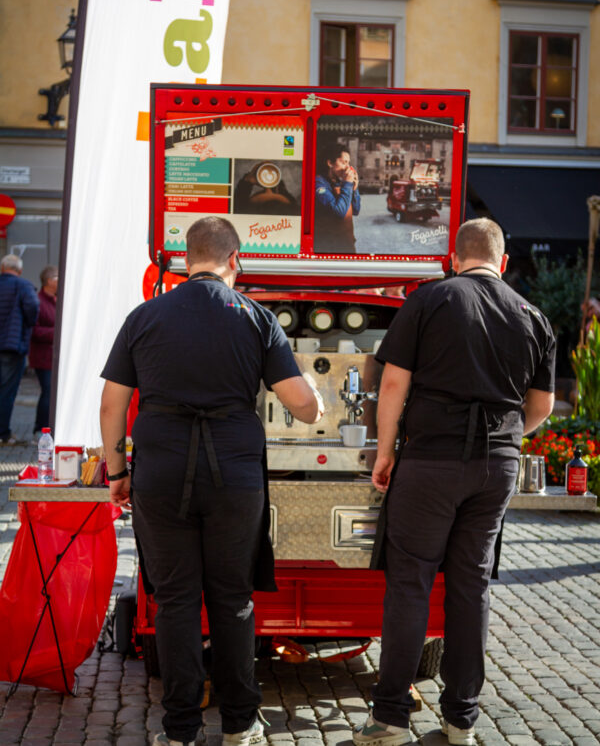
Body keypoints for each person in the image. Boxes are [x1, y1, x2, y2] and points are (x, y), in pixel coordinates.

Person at [99, 216, 324, 746]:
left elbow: (112, 404)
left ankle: (179, 729)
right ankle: (240, 723)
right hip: (234, 475)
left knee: (175, 600)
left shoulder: (144, 316)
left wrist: (117, 471)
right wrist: (309, 382)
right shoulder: (256, 318)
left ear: (184, 259)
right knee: (232, 598)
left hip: (160, 470)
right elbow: (306, 409)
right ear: (234, 261)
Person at [353, 219, 555, 746]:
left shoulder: (429, 301)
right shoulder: (534, 316)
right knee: (472, 587)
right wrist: (505, 438)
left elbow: (393, 381)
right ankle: (461, 719)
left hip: (430, 460)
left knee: (411, 583)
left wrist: (385, 448)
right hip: (497, 467)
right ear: (503, 262)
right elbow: (541, 407)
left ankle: (391, 718)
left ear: (454, 256)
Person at [0, 254, 39, 445]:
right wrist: (28, 325)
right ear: (20, 270)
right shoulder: (22, 285)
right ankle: (3, 433)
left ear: (2, 269)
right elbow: (33, 307)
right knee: (6, 390)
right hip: (11, 346)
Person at [314, 142, 360, 253]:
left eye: (348, 163)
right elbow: (339, 212)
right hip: (329, 247)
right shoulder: (319, 183)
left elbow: (356, 210)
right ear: (330, 163)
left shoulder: (341, 183)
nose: (347, 167)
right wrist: (348, 184)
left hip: (347, 244)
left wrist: (354, 189)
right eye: (343, 162)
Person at [28, 265, 58, 438]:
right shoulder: (38, 302)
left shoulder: (55, 300)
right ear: (49, 281)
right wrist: (57, 332)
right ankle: (40, 429)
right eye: (57, 278)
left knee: (51, 392)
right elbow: (34, 330)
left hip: (52, 357)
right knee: (48, 391)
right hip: (43, 357)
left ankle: (47, 428)